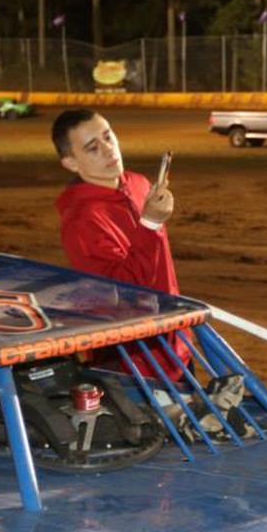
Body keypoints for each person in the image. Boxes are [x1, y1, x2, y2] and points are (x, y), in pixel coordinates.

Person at [51, 108, 189, 379]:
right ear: (71, 163)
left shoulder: (138, 183)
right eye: (92, 148)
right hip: (134, 365)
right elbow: (124, 292)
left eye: (108, 136)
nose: (109, 150)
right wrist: (149, 224)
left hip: (175, 345)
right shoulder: (81, 220)